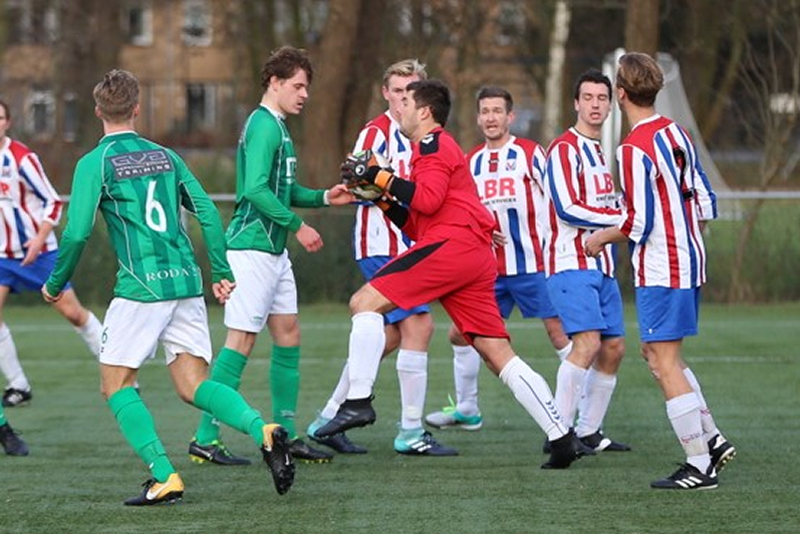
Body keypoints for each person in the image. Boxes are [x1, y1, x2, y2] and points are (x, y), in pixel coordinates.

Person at [42, 69, 297, 504]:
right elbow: (208, 213)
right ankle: (263, 429)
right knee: (193, 385)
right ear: (138, 108)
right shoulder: (167, 157)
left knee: (116, 385)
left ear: (98, 110)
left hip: (141, 287)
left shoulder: (94, 163)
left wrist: (55, 282)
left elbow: (77, 232)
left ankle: (164, 474)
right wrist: (220, 270)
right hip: (185, 283)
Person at [315, 79, 586, 469]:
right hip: (469, 253)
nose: (401, 110)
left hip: (454, 248)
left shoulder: (433, 144)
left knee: (363, 303)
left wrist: (381, 178)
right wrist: (382, 198)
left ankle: (357, 402)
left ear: (425, 112)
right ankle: (562, 436)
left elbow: (426, 199)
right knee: (497, 353)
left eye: (406, 103)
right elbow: (417, 222)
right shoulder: (428, 151)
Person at [188, 46, 353, 466]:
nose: (304, 95)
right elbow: (254, 191)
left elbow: (280, 189)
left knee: (288, 333)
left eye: (307, 87)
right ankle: (206, 437)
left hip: (272, 253)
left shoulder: (277, 125)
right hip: (250, 249)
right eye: (297, 86)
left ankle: (289, 432)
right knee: (241, 341)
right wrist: (299, 226)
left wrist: (322, 198)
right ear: (275, 83)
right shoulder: (263, 126)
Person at [586, 52, 736, 489]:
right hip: (688, 259)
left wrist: (600, 237)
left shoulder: (632, 148)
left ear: (620, 94)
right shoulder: (677, 132)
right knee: (655, 355)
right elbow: (706, 196)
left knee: (664, 362)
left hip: (664, 265)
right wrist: (688, 233)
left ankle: (699, 464)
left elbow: (639, 222)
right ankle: (713, 440)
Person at [305, 59, 456, 457]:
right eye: (398, 89)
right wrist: (380, 188)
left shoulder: (425, 134)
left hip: (412, 244)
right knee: (420, 326)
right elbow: (354, 181)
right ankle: (410, 432)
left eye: (413, 89)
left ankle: (326, 419)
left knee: (388, 338)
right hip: (382, 243)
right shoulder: (376, 132)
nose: (405, 96)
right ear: (385, 93)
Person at [425, 86, 573, 433]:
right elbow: (462, 206)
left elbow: (557, 199)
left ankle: (574, 417)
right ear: (478, 118)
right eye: (485, 111)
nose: (490, 117)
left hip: (533, 264)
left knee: (560, 335)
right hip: (488, 269)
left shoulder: (530, 154)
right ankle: (467, 409)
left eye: (497, 111)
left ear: (510, 117)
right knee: (461, 335)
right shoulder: (470, 161)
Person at [542, 70, 630, 452]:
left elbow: (610, 206)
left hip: (602, 267)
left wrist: (625, 212)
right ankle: (558, 435)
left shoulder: (599, 153)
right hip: (569, 263)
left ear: (610, 106)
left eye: (602, 98)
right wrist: (624, 220)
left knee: (613, 349)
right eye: (588, 97)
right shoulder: (564, 148)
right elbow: (567, 208)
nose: (595, 104)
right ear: (575, 103)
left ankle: (589, 431)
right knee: (587, 344)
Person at [0, 99, 102, 408]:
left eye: (0, 117)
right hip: (3, 256)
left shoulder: (21, 158)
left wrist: (38, 239)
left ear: (8, 122)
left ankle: (121, 372)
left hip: (39, 252)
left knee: (73, 313)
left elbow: (53, 202)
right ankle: (18, 384)